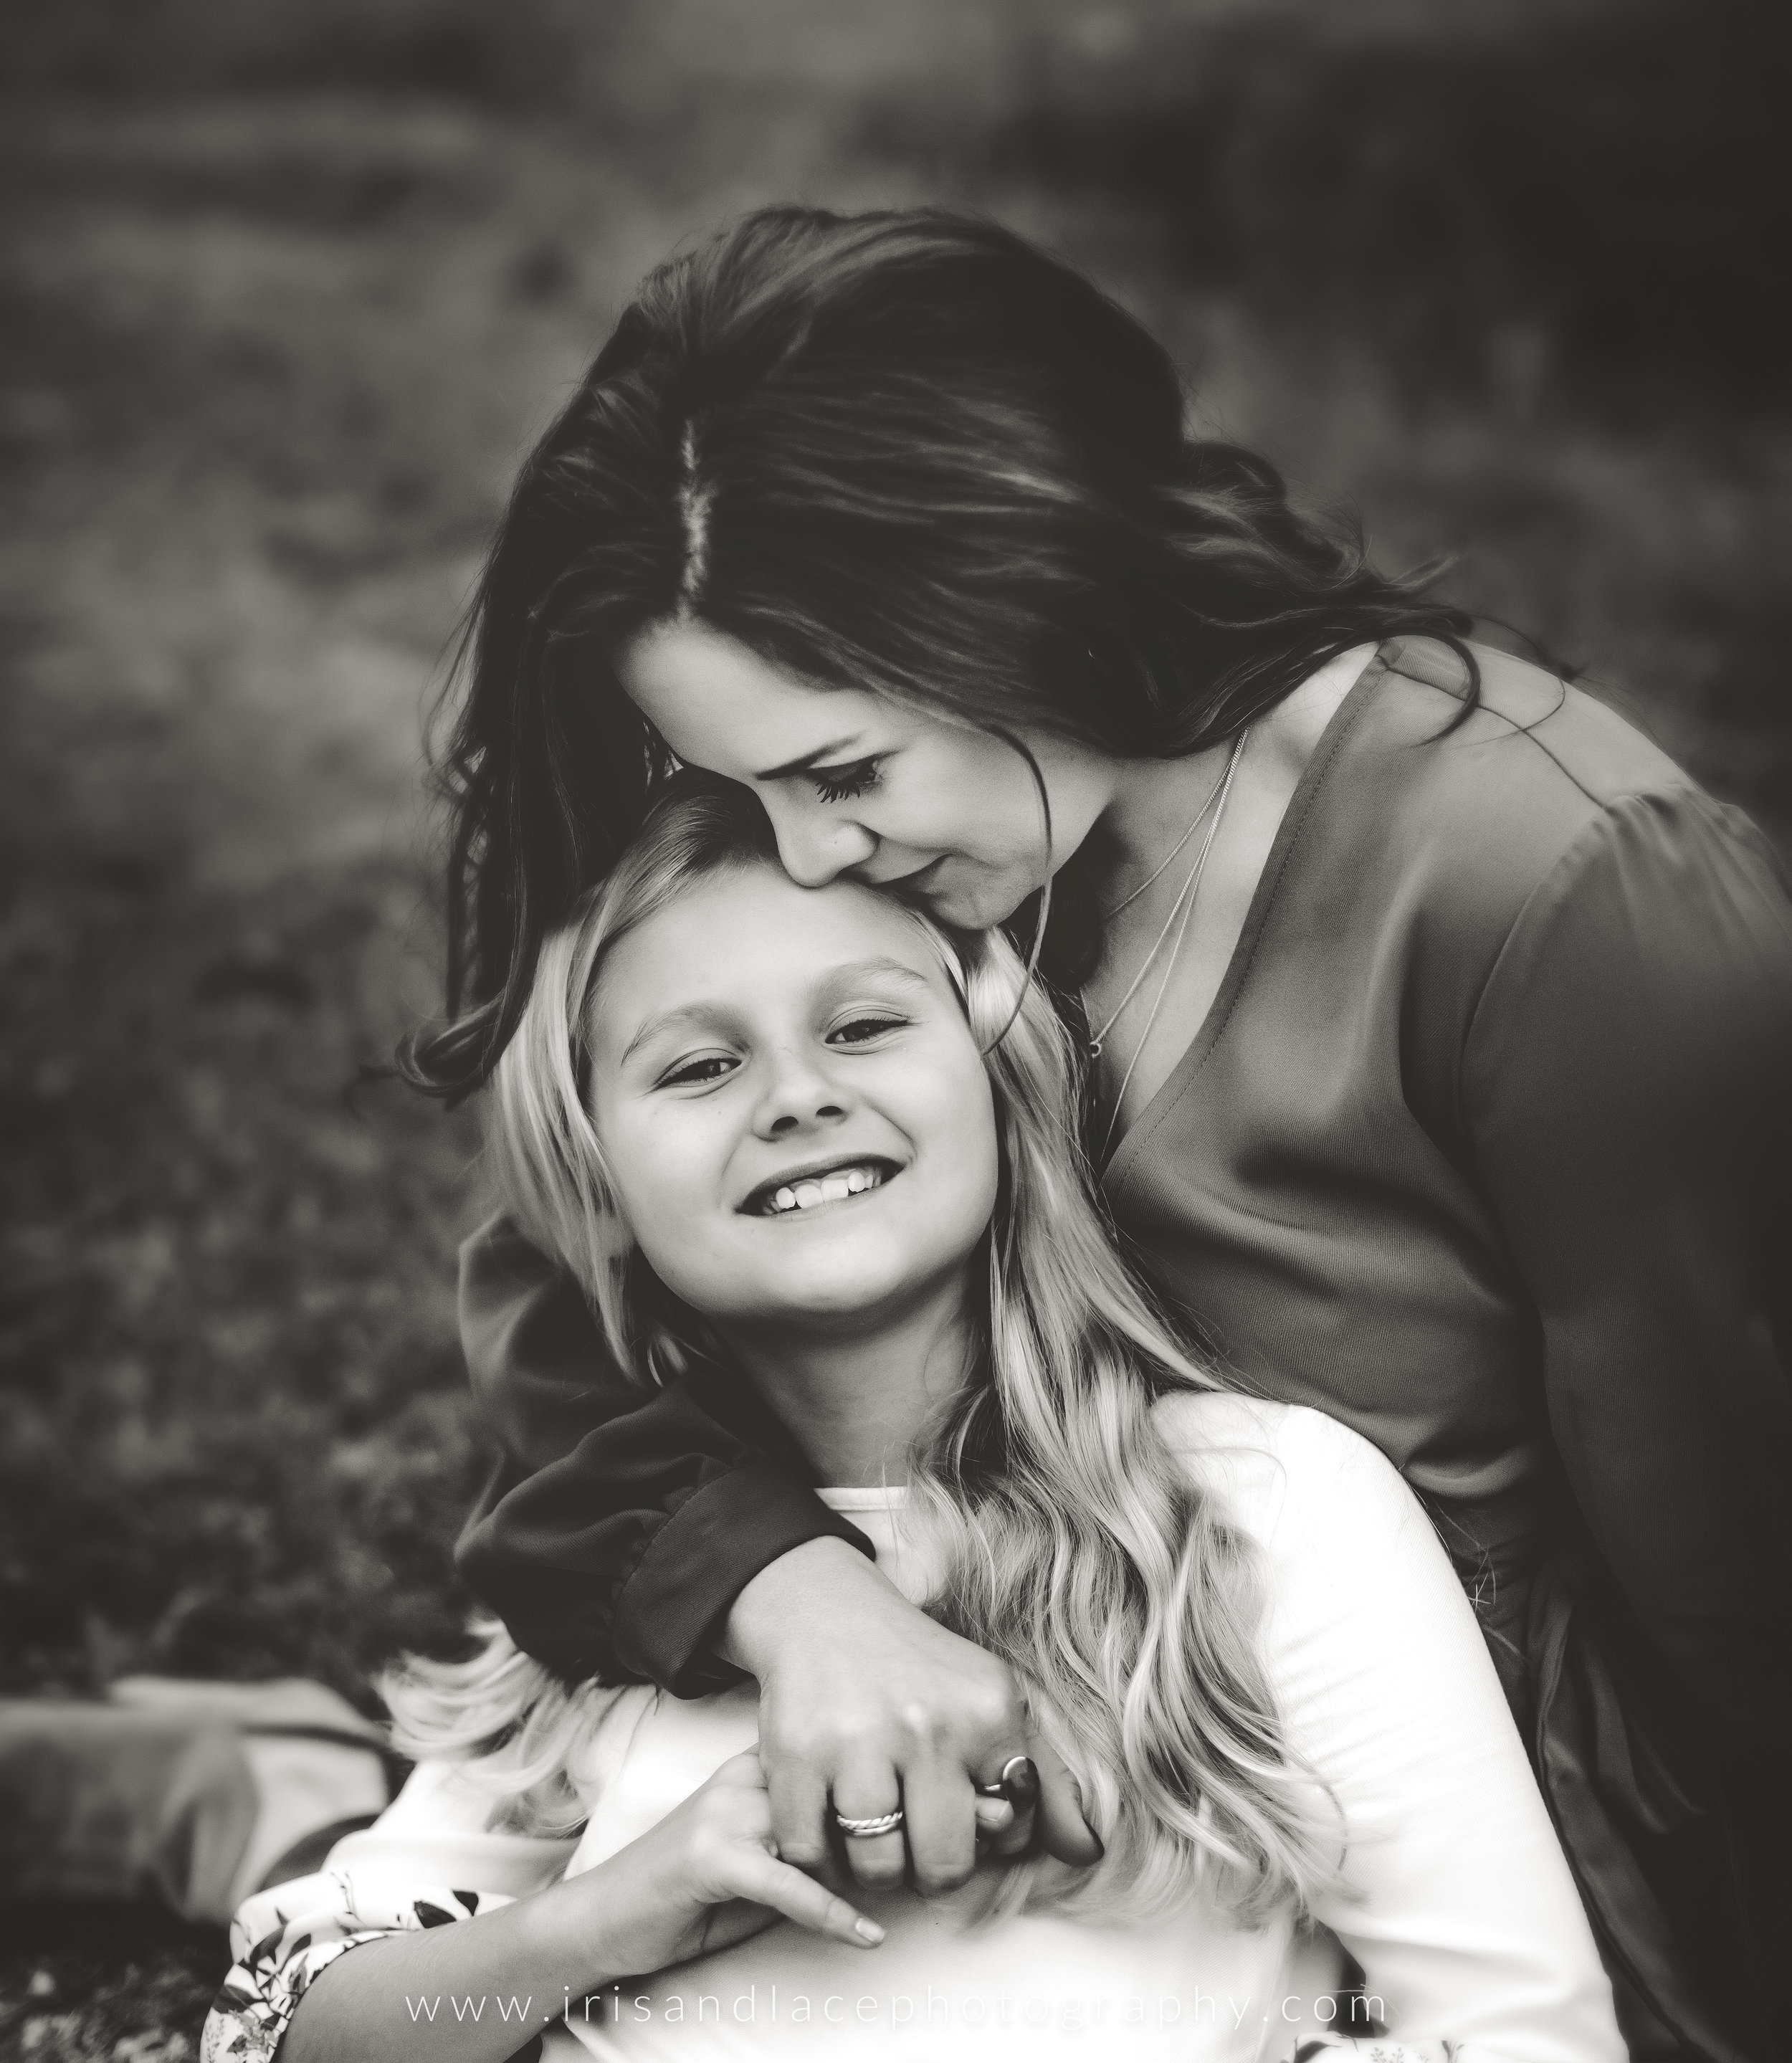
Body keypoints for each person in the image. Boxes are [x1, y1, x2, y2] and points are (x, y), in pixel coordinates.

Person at [405, 209, 1792, 2059]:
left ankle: (199, 1777)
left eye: (839, 769)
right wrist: (800, 1594)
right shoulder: (899, 872)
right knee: (482, 1883)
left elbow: (1743, 1587)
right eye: (740, 787)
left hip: (1417, 1826)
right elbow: (564, 1317)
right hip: (969, 1716)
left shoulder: (1551, 897)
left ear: (1031, 596)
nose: (807, 858)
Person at [207, 779, 1625, 2063]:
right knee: (270, 1831)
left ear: (1000, 1088)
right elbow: (288, 2019)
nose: (797, 1095)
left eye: (865, 1023)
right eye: (697, 1067)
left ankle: (235, 1769)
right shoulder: (610, 1550)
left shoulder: (1259, 1511)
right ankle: (210, 1777)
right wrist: (611, 1918)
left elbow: (1515, 2031)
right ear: (596, 1191)